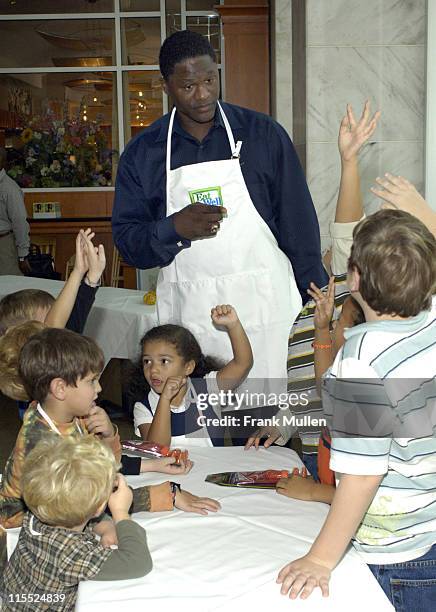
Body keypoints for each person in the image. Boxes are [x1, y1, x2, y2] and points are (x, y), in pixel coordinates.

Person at [112, 29, 327, 392]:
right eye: (188, 86)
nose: (203, 95)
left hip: (265, 308)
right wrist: (174, 228)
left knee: (272, 424)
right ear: (166, 86)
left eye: (210, 80)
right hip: (191, 317)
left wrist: (318, 301)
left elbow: (299, 228)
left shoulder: (264, 136)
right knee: (198, 433)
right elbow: (128, 242)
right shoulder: (144, 154)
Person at [276, 210, 436, 610]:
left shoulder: (360, 363)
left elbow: (363, 476)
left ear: (356, 280)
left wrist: (320, 558)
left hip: (396, 552)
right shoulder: (430, 322)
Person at [245, 101, 380, 476]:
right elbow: (306, 394)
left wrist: (349, 163)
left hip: (347, 454)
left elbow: (347, 233)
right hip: (310, 450)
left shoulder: (353, 302)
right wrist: (282, 425)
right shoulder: (309, 313)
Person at [0, 435, 152, 612]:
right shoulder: (71, 555)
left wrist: (106, 526)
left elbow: (75, 513)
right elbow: (138, 562)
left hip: (14, 599)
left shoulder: (38, 513)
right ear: (99, 507)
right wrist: (120, 512)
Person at [132, 304, 252, 447]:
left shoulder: (208, 389)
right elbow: (157, 449)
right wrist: (164, 400)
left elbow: (243, 364)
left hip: (212, 469)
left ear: (188, 367)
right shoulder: (143, 407)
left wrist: (233, 326)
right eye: (147, 361)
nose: (153, 370)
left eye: (164, 361)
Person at [0, 147, 30, 276]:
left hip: (4, 244)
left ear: (4, 163)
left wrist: (22, 256)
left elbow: (20, 222)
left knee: (7, 289)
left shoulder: (9, 188)